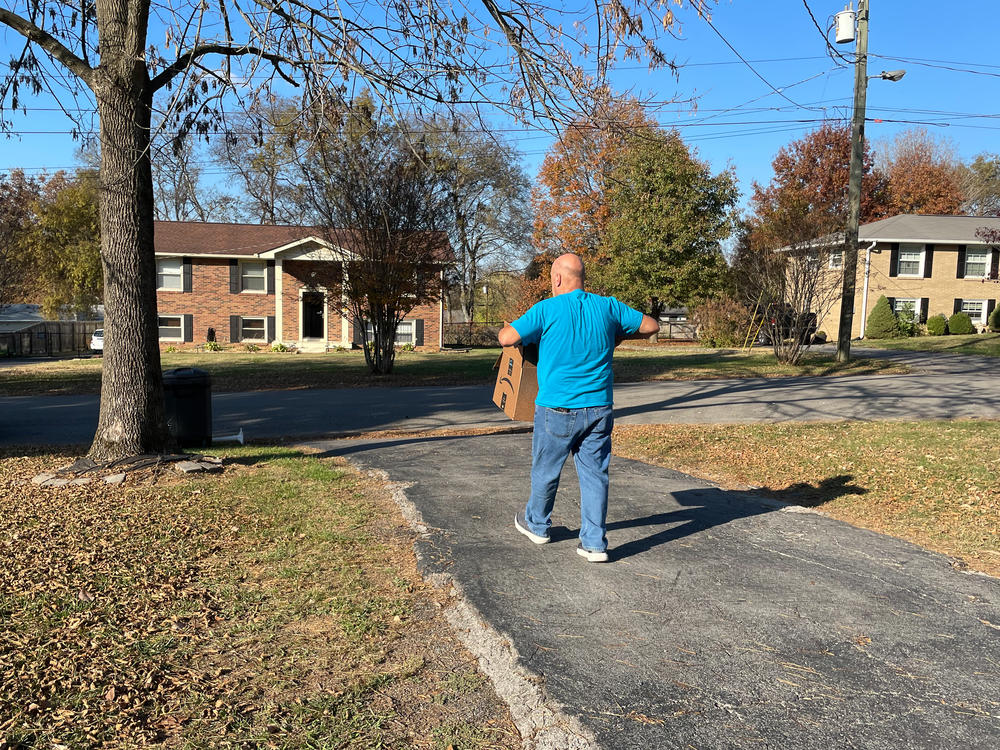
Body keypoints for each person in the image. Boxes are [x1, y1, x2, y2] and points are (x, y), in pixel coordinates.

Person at [497, 253, 659, 562]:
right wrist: (618, 333)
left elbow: (507, 338)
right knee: (595, 474)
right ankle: (594, 543)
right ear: (582, 278)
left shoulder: (546, 309)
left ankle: (538, 525)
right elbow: (650, 326)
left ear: (557, 278)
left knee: (545, 470)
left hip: (556, 408)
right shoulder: (608, 307)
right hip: (599, 408)